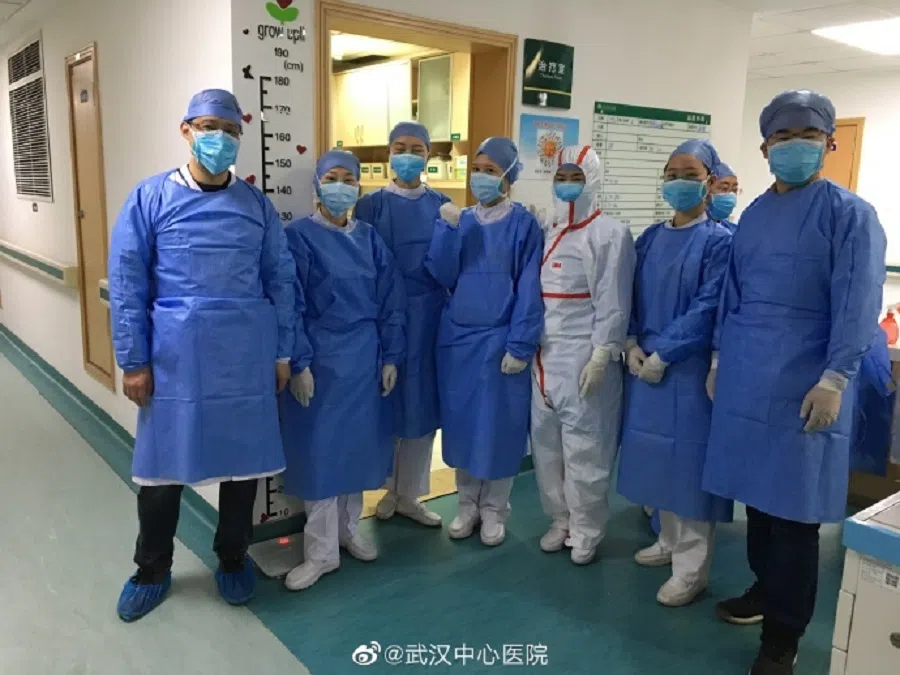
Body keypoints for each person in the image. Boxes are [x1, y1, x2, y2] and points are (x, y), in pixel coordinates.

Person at [704, 90, 886, 675]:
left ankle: (783, 637)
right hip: (749, 372)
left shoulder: (850, 215)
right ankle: (764, 591)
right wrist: (718, 358)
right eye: (783, 137)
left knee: (796, 515)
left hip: (808, 378)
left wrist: (835, 377)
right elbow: (732, 295)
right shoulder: (755, 214)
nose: (794, 147)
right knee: (757, 502)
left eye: (808, 136)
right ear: (764, 148)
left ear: (828, 144)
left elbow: (858, 303)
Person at [108, 89, 300, 621]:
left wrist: (283, 352)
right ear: (186, 130)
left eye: (231, 130)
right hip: (175, 361)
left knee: (242, 469)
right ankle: (152, 568)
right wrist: (133, 360)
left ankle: (233, 557)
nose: (221, 138)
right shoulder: (150, 198)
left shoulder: (256, 206)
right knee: (162, 472)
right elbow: (127, 283)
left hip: (244, 357)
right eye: (210, 126)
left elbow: (281, 280)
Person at [280, 150, 406, 591]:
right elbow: (289, 304)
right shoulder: (298, 237)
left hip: (364, 358)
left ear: (358, 187)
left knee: (357, 450)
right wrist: (299, 362)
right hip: (321, 360)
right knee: (319, 455)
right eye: (332, 178)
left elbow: (391, 300)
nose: (340, 186)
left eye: (348, 180)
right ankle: (320, 552)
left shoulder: (369, 239)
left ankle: (349, 531)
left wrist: (391, 356)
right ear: (317, 185)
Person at [617, 139, 734, 608]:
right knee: (655, 461)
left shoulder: (719, 242)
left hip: (685, 371)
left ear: (709, 182)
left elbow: (709, 306)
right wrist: (630, 342)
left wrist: (665, 353)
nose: (679, 183)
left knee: (687, 467)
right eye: (672, 174)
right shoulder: (650, 238)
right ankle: (667, 540)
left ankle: (692, 569)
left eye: (690, 174)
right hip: (644, 364)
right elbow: (629, 293)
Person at [425, 137, 543, 547]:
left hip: (500, 340)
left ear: (508, 177)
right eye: (476, 169)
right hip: (459, 339)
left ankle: (494, 509)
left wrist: (520, 343)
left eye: (490, 171)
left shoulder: (523, 225)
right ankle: (466, 506)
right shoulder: (461, 221)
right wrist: (446, 230)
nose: (480, 177)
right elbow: (442, 274)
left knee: (498, 429)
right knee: (462, 426)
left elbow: (529, 286)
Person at [530, 145, 635, 565]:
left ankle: (587, 529)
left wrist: (602, 353)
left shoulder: (609, 234)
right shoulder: (548, 229)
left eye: (577, 177)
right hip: (543, 358)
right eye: (562, 176)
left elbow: (614, 300)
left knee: (585, 452)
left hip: (584, 358)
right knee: (546, 450)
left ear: (592, 179)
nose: (568, 185)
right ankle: (560, 520)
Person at [354, 122, 450, 528]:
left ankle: (409, 494)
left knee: (421, 408)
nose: (407, 155)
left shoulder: (442, 206)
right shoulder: (370, 206)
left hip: (428, 317)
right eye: (400, 147)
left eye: (416, 148)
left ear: (428, 154)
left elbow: (450, 265)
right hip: (382, 315)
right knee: (385, 403)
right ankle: (385, 490)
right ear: (388, 152)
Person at [707, 161, 739, 231]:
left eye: (734, 190)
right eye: (724, 188)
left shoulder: (734, 231)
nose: (730, 195)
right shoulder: (690, 228)